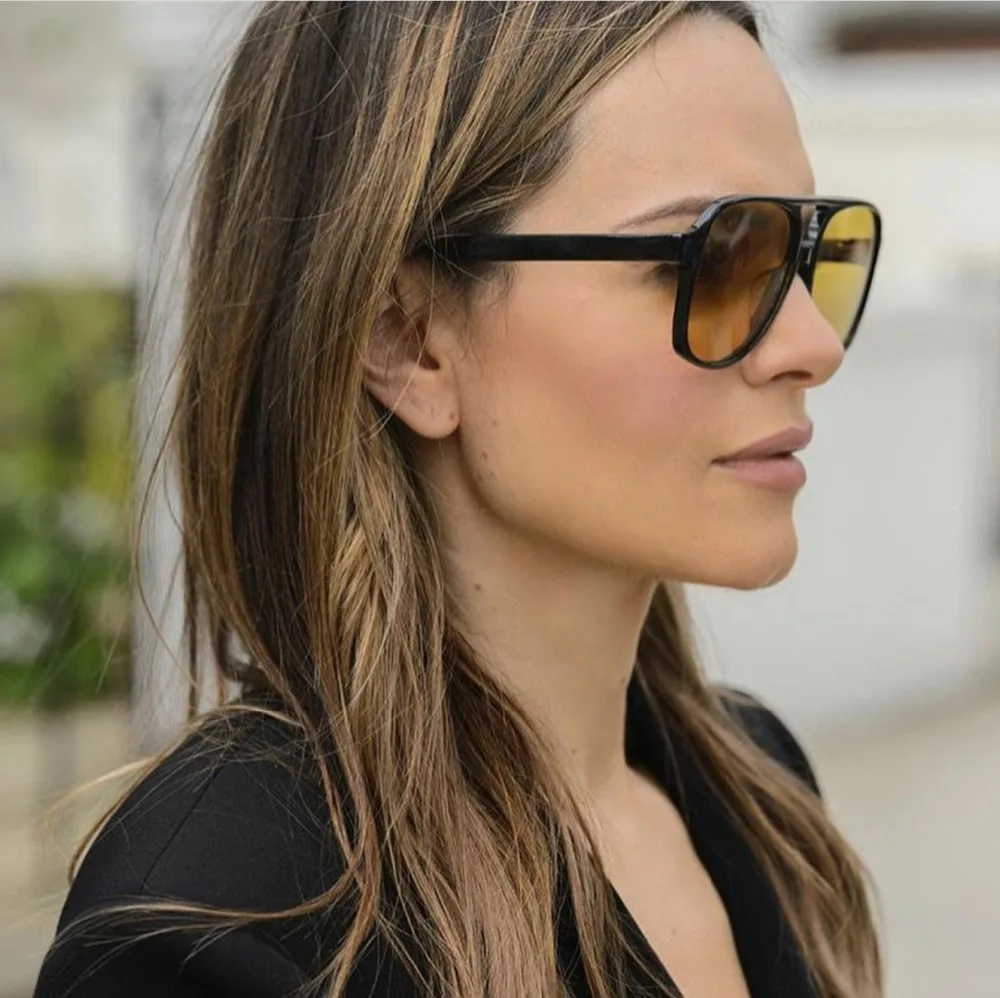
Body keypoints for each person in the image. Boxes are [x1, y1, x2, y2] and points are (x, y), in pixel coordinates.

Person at [33, 3, 885, 997]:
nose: (811, 346)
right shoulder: (218, 925)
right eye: (713, 257)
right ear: (406, 337)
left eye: (807, 253)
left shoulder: (757, 791)